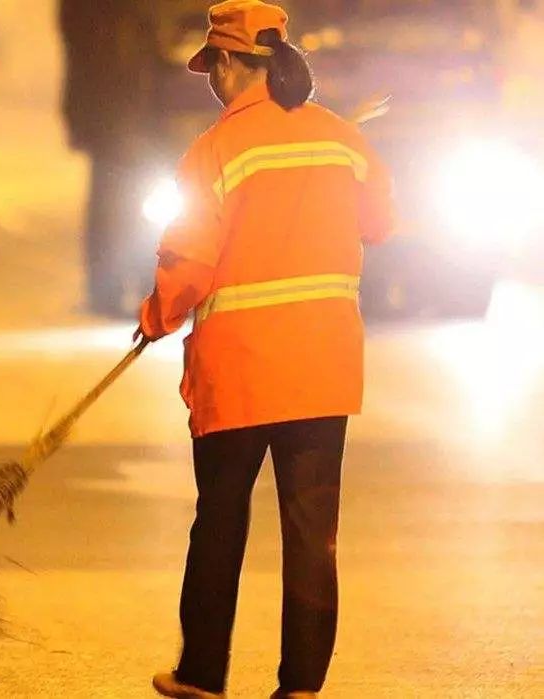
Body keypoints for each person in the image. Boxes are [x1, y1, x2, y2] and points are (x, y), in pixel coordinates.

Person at [136, 2, 395, 698]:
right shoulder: (341, 138)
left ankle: (202, 675)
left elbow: (187, 261)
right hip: (322, 369)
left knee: (220, 518)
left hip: (240, 371)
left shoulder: (213, 151)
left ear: (227, 64)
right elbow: (383, 221)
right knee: (313, 531)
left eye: (211, 68)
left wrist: (157, 316)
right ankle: (302, 685)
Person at [58, 0, 158, 317]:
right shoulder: (96, 15)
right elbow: (81, 43)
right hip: (109, 113)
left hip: (153, 110)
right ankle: (106, 288)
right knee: (110, 199)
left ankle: (151, 284)